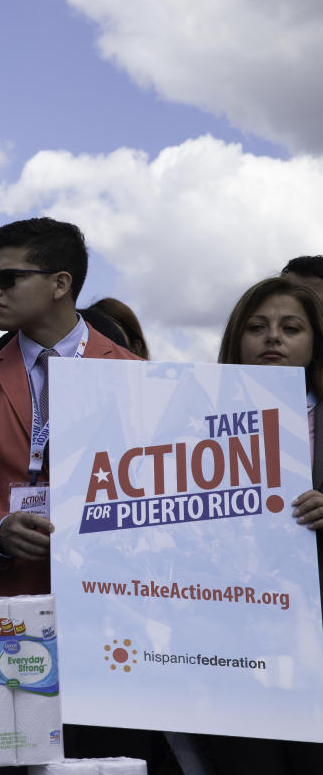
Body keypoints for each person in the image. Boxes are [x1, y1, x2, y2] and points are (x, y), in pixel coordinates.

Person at [0, 218, 139, 598]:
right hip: (6, 603)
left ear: (60, 284)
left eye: (8, 278)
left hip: (114, 600)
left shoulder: (134, 376)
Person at [206, 276, 323, 775]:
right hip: (232, 653)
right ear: (237, 339)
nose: (273, 337)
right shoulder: (195, 424)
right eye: (257, 327)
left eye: (291, 327)